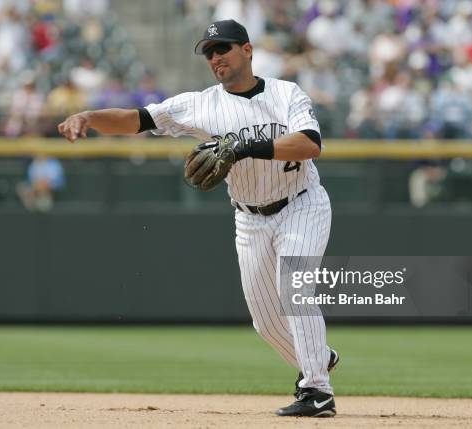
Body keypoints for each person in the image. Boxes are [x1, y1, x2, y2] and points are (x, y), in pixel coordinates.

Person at [58, 20, 339, 418]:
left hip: (302, 205)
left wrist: (243, 146)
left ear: (247, 49)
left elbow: (310, 145)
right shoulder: (201, 104)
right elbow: (137, 119)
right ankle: (318, 356)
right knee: (265, 321)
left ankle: (316, 391)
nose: (215, 57)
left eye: (222, 47)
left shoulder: (285, 93)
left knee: (295, 292)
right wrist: (89, 115)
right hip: (249, 218)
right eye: (208, 52)